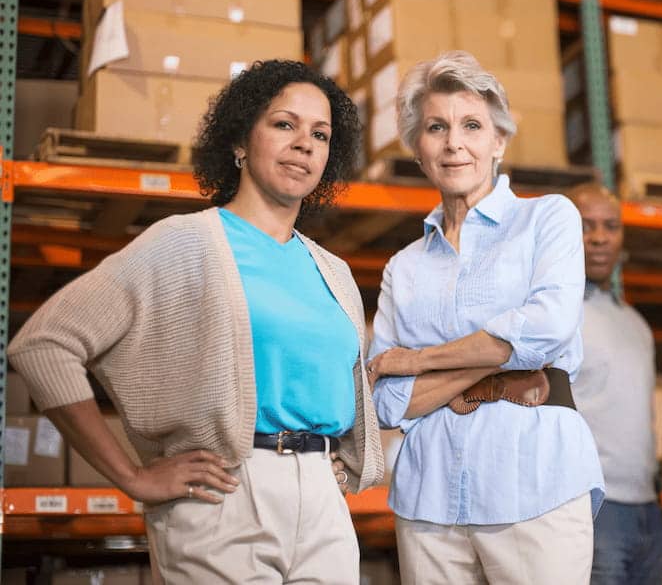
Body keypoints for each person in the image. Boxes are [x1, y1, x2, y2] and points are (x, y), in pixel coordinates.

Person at [9, 59, 384, 584]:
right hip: (224, 496)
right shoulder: (185, 243)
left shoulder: (334, 271)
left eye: (320, 134)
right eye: (284, 124)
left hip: (323, 500)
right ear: (238, 143)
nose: (304, 143)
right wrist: (132, 476)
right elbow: (43, 346)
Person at [368, 50, 604, 585]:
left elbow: (545, 331)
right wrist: (495, 359)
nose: (455, 142)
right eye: (436, 127)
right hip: (427, 501)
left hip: (536, 484)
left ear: (498, 141)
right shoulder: (402, 268)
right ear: (419, 149)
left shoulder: (548, 218)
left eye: (472, 125)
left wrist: (420, 361)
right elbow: (383, 399)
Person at [567, 182, 662, 585]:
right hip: (592, 506)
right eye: (586, 225)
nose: (599, 237)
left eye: (610, 226)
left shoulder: (635, 323)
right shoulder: (557, 317)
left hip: (647, 507)